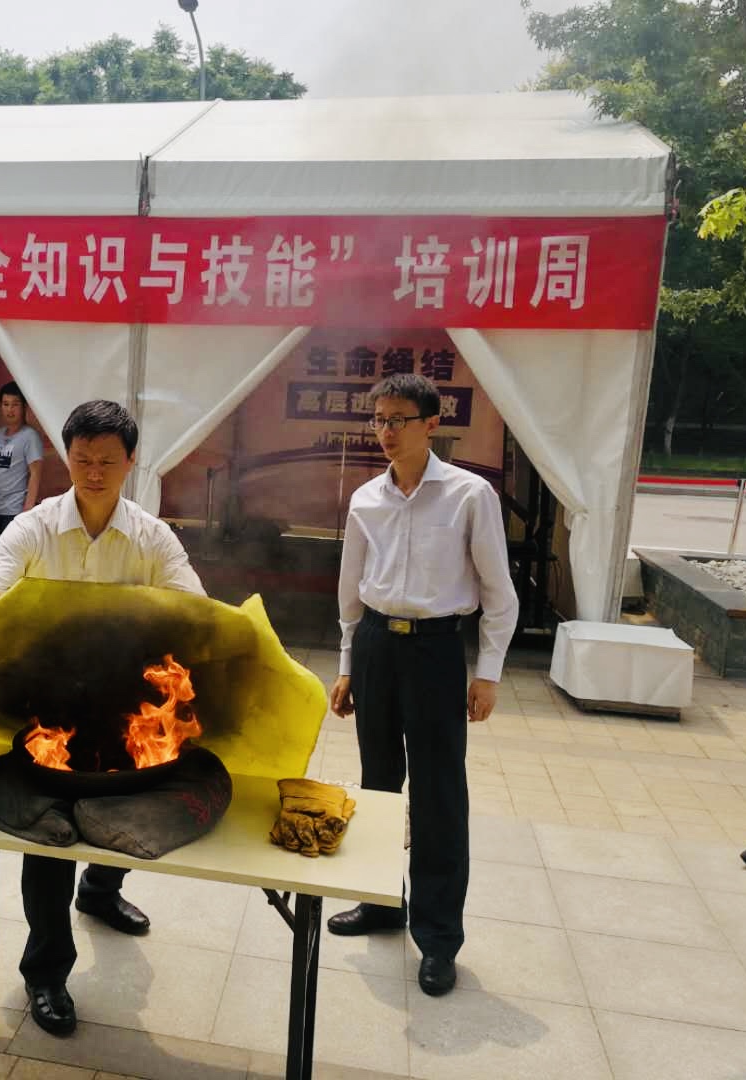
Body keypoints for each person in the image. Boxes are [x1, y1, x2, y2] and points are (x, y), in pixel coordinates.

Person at [0, 400, 204, 1038]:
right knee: (50, 831)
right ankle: (45, 972)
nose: (94, 473)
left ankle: (101, 889)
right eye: (83, 459)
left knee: (126, 803)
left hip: (127, 707)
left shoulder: (151, 536)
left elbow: (198, 609)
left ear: (131, 461)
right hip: (50, 709)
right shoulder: (33, 528)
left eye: (107, 462)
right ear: (67, 457)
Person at [327, 372, 517, 998]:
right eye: (379, 419)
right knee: (379, 784)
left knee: (439, 795)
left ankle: (438, 938)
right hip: (377, 645)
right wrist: (348, 663)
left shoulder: (469, 496)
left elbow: (499, 594)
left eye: (399, 419)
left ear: (432, 423)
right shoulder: (366, 499)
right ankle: (382, 903)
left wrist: (487, 673)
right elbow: (350, 589)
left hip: (436, 650)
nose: (385, 431)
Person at [0, 382, 44, 561]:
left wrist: (27, 512)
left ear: (24, 407)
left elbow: (35, 474)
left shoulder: (30, 436)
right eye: (6, 404)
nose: (10, 409)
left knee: (10, 561)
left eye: (15, 404)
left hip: (14, 511)